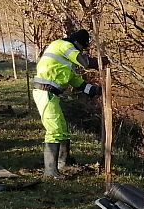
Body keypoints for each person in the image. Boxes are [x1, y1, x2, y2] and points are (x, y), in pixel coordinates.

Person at [31, 28, 102, 179]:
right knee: (54, 130)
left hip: (50, 94)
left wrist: (95, 90)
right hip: (45, 93)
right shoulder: (63, 45)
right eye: (82, 48)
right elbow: (85, 62)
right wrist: (101, 61)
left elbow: (77, 82)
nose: (83, 51)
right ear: (77, 43)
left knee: (62, 129)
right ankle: (50, 171)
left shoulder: (64, 63)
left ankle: (63, 163)